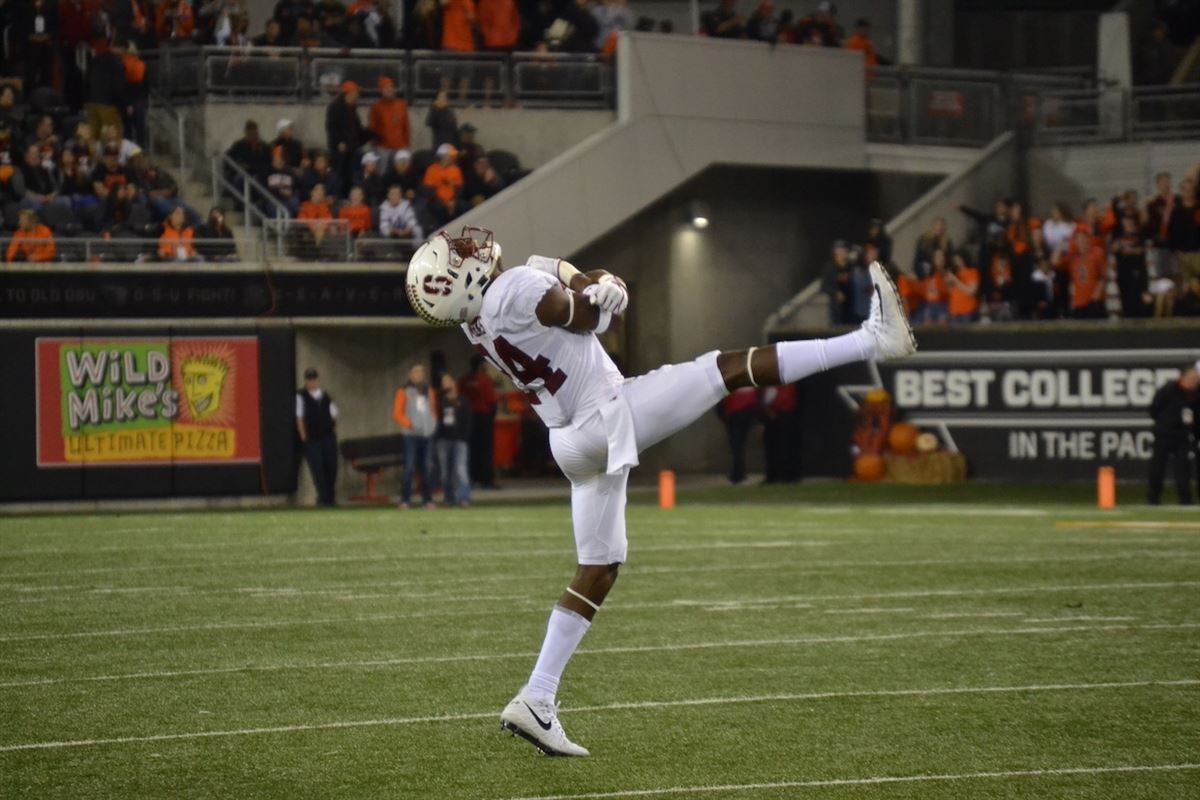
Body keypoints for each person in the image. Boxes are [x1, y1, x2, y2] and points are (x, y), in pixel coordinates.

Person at [404, 226, 916, 756]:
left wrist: (593, 282)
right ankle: (872, 339)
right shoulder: (513, 289)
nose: (470, 248)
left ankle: (537, 698)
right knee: (725, 370)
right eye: (458, 255)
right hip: (605, 414)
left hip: (570, 441)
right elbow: (595, 315)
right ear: (462, 280)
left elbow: (561, 274)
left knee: (598, 569)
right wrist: (607, 291)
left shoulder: (479, 320)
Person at [1147, 365, 1199, 505]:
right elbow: (1154, 409)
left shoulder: (1195, 394)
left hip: (1182, 436)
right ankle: (1153, 499)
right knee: (1157, 467)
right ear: (1183, 377)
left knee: (1183, 469)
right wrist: (1165, 423)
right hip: (1164, 434)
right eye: (1192, 378)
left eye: (1197, 379)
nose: (1195, 381)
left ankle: (1185, 500)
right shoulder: (1169, 389)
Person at [393, 363, 437, 509]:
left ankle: (428, 500)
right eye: (416, 372)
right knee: (410, 467)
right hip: (410, 435)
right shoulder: (403, 391)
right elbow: (397, 414)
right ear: (410, 375)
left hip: (427, 434)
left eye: (421, 372)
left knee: (427, 467)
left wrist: (433, 424)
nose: (419, 375)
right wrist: (410, 423)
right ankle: (405, 500)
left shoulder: (429, 391)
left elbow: (433, 410)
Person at [296, 367, 340, 507]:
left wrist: (331, 430)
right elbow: (299, 418)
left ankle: (331, 497)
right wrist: (304, 439)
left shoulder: (325, 396)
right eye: (310, 380)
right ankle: (323, 497)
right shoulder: (300, 396)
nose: (312, 382)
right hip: (312, 439)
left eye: (314, 379)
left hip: (328, 437)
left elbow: (334, 415)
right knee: (317, 468)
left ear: (318, 380)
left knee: (331, 466)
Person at [459, 354, 499, 488]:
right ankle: (486, 480)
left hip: (468, 418)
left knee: (471, 450)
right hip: (484, 417)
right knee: (486, 450)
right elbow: (492, 401)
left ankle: (471, 478)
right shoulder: (484, 380)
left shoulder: (464, 380)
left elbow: (460, 399)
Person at [436, 373, 473, 507]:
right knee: (445, 472)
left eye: (447, 381)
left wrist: (464, 437)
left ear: (453, 383)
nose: (445, 385)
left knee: (460, 469)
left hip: (459, 440)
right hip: (443, 440)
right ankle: (449, 499)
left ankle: (464, 498)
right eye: (443, 382)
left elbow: (468, 420)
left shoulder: (463, 400)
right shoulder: (440, 401)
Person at [717, 386, 759, 484]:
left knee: (737, 447)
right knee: (740, 446)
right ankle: (739, 473)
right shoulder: (749, 385)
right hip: (746, 414)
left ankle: (738, 474)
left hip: (734, 415)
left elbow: (723, 401)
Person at [326, 81, 364, 189]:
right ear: (349, 93)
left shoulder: (352, 107)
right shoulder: (335, 107)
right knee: (339, 174)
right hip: (339, 149)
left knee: (352, 173)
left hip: (352, 147)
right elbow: (331, 127)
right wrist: (338, 142)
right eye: (356, 93)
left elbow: (357, 127)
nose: (357, 96)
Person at [369, 77, 410, 153]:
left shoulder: (401, 105)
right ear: (381, 91)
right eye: (385, 88)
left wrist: (406, 145)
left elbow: (406, 126)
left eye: (390, 87)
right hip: (383, 148)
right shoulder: (376, 107)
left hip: (400, 147)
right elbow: (373, 127)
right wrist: (375, 145)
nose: (389, 90)